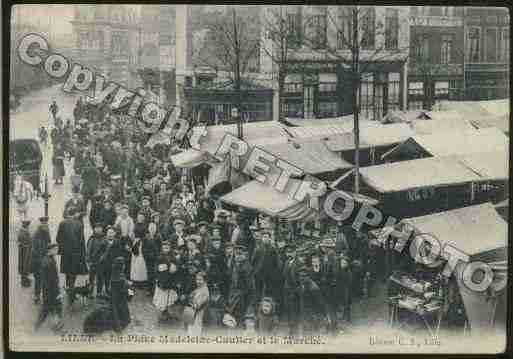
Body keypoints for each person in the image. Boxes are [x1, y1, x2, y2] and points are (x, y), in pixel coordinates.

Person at [56, 206, 88, 301]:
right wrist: (83, 253)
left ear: (68, 213)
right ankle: (71, 290)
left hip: (66, 253)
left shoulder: (62, 223)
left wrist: (63, 247)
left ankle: (69, 289)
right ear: (75, 214)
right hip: (76, 252)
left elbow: (58, 238)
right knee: (73, 272)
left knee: (67, 271)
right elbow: (82, 240)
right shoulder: (79, 224)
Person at [225, 245, 256, 329]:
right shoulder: (235, 265)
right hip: (234, 296)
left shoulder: (247, 267)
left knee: (240, 318)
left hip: (242, 297)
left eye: (240, 254)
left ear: (244, 255)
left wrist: (248, 300)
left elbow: (250, 286)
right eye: (236, 254)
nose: (237, 256)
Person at [35, 243, 63, 332]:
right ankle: (37, 327)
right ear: (50, 250)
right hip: (51, 290)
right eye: (55, 249)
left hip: (49, 290)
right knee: (47, 310)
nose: (57, 250)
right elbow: (49, 279)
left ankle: (55, 326)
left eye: (57, 249)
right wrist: (56, 291)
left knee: (56, 308)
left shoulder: (48, 259)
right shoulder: (49, 261)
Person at [153, 241, 180, 323]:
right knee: (163, 298)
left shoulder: (173, 257)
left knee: (169, 297)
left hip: (171, 280)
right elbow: (156, 268)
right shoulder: (159, 257)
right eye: (164, 248)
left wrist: (175, 267)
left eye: (167, 248)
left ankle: (167, 311)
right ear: (162, 249)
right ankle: (163, 313)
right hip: (163, 280)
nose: (166, 249)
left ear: (170, 248)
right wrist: (159, 269)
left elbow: (176, 265)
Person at [31, 217, 51, 304]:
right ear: (41, 224)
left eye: (46, 224)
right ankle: (37, 296)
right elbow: (35, 249)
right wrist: (41, 260)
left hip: (44, 259)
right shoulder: (36, 234)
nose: (45, 225)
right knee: (38, 279)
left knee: (45, 279)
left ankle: (44, 296)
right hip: (38, 261)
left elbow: (49, 244)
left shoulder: (46, 233)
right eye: (44, 224)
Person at [86, 222, 109, 297]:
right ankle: (90, 292)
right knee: (91, 278)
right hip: (93, 261)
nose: (98, 229)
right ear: (94, 229)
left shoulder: (104, 239)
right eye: (96, 228)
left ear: (102, 229)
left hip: (101, 262)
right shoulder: (91, 238)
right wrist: (88, 260)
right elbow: (88, 250)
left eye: (99, 228)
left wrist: (103, 257)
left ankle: (99, 292)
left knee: (100, 278)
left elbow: (107, 250)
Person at [110, 257, 131, 332]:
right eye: (123, 264)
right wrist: (128, 287)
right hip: (121, 300)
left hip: (114, 299)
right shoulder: (121, 278)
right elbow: (124, 291)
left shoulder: (115, 274)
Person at [142, 222, 160, 296]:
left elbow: (160, 248)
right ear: (149, 229)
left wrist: (157, 256)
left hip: (156, 258)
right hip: (148, 259)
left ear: (156, 229)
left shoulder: (158, 237)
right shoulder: (146, 238)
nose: (152, 230)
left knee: (155, 273)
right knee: (149, 274)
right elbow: (143, 249)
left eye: (154, 228)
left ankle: (155, 289)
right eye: (151, 228)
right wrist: (147, 256)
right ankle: (149, 289)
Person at [18, 220, 33, 288]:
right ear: (26, 225)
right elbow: (30, 241)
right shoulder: (26, 232)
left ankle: (24, 280)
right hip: (26, 251)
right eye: (28, 226)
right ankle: (24, 282)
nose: (28, 227)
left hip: (22, 251)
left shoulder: (20, 231)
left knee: (22, 265)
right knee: (25, 265)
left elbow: (19, 241)